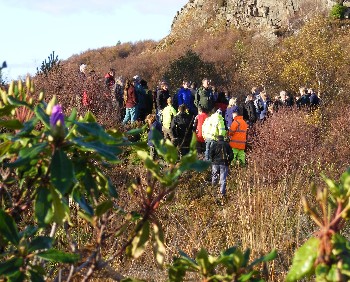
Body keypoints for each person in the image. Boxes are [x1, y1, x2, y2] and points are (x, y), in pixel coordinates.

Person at [210, 135, 234, 201]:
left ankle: (213, 191)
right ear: (223, 139)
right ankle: (221, 194)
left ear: (217, 139)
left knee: (214, 177)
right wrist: (229, 161)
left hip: (215, 163)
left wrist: (212, 160)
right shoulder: (227, 145)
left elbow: (210, 153)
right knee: (223, 179)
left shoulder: (214, 144)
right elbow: (231, 155)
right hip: (224, 163)